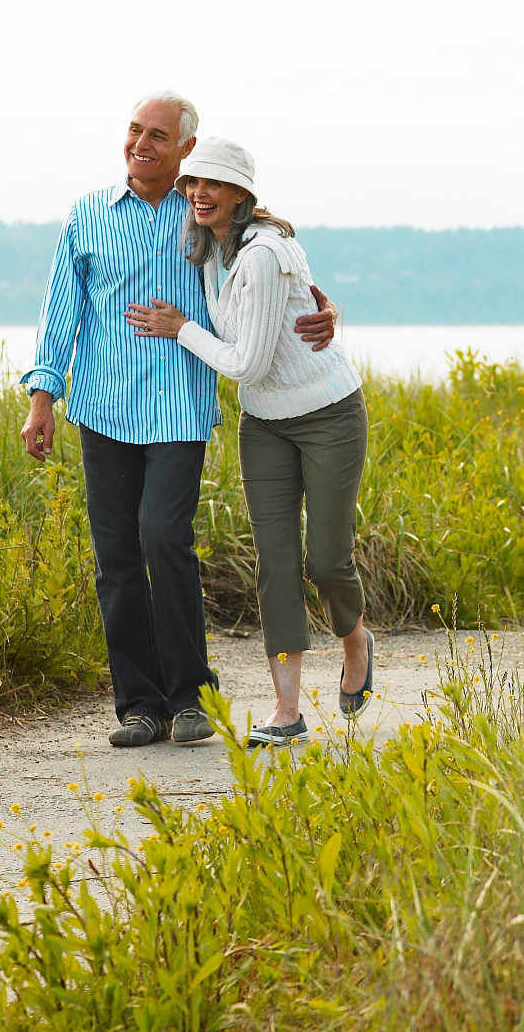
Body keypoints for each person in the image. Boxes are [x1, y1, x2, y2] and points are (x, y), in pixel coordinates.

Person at [20, 93, 337, 749]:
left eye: (158, 135)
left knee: (164, 538)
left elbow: (271, 265)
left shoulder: (205, 217)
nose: (141, 144)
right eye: (135, 130)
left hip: (178, 409)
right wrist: (42, 397)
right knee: (116, 557)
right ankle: (140, 706)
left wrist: (322, 309)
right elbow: (60, 310)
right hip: (104, 408)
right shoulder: (87, 214)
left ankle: (192, 695)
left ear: (186, 149)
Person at [127, 139, 373, 746]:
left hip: (328, 415)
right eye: (193, 183)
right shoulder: (208, 247)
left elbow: (248, 364)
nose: (198, 193)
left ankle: (355, 640)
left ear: (241, 194)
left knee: (326, 560)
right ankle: (287, 712)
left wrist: (181, 329)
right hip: (263, 424)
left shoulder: (264, 254)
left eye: (213, 184)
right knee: (275, 564)